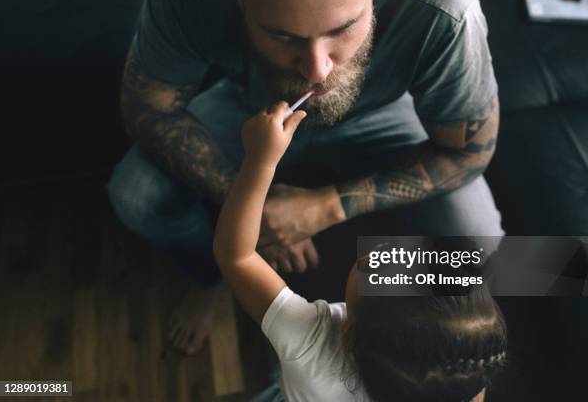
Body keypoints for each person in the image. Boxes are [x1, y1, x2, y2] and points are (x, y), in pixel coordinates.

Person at [107, 0, 504, 355]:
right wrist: (250, 207)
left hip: (383, 117)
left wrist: (326, 207)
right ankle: (211, 277)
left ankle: (372, 312)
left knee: (480, 236)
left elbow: (470, 152)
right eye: (282, 36)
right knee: (135, 194)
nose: (317, 70)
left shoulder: (447, 10)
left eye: (343, 29)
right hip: (250, 113)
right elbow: (147, 109)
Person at [213, 101, 508, 401]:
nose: (385, 248)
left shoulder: (310, 341)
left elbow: (237, 256)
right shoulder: (457, 373)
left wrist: (259, 162)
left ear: (354, 330)